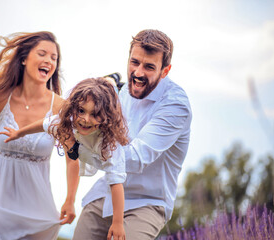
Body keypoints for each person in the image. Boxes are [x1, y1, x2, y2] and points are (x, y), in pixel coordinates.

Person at [72, 29, 193, 239]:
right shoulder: (121, 91)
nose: (138, 72)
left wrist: (78, 149)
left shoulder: (176, 106)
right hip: (107, 190)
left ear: (165, 71)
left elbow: (135, 159)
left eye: (149, 67)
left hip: (147, 202)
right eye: (134, 62)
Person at [0, 31, 79, 240]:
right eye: (42, 54)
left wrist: (70, 199)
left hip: (34, 207)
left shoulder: (61, 107)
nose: (49, 61)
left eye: (54, 58)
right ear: (24, 59)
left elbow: (73, 156)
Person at [1, 77, 129, 240]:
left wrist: (117, 222)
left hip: (97, 142)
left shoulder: (110, 145)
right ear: (73, 108)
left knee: (113, 91)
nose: (85, 119)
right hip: (82, 148)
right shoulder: (66, 121)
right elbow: (43, 124)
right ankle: (109, 80)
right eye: (81, 111)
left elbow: (116, 184)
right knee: (101, 88)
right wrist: (18, 133)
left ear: (106, 117)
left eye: (95, 114)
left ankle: (113, 81)